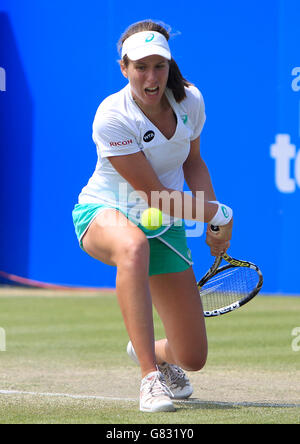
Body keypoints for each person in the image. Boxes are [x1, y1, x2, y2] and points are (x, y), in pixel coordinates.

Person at [72, 20, 233, 413]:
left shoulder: (190, 101)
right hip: (104, 213)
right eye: (140, 67)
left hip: (163, 223)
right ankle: (149, 377)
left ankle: (154, 352)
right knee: (132, 245)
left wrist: (212, 220)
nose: (151, 76)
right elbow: (154, 196)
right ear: (123, 67)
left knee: (192, 355)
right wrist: (220, 214)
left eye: (158, 66)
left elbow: (194, 163)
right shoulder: (112, 115)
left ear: (169, 66)